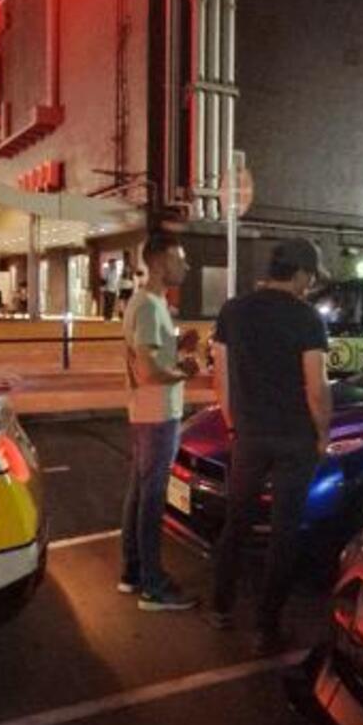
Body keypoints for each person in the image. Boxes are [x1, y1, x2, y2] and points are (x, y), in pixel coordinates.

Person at [209, 239, 331, 653]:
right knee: (284, 532)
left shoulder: (234, 311)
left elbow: (220, 376)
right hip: (294, 437)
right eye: (309, 277)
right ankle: (266, 626)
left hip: (249, 434)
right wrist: (323, 433)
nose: (309, 285)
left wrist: (232, 422)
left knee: (236, 520)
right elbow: (316, 387)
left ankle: (221, 604)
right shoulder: (306, 318)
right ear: (299, 273)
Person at [119, 232, 199, 611]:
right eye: (179, 258)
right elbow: (150, 370)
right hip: (157, 413)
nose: (185, 266)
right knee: (152, 499)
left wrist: (177, 348)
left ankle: (132, 572)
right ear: (160, 260)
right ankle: (154, 585)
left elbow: (150, 356)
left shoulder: (144, 302)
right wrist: (185, 370)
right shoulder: (150, 305)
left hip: (143, 411)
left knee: (139, 492)